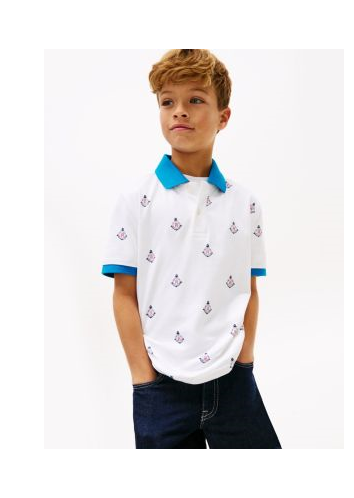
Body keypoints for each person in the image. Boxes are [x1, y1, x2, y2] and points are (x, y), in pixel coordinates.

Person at [102, 49, 281, 449]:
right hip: (162, 389)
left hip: (233, 382)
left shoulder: (245, 203)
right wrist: (143, 380)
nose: (179, 111)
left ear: (223, 117)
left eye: (195, 100)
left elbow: (249, 289)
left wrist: (245, 360)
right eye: (168, 102)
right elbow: (124, 295)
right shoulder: (136, 200)